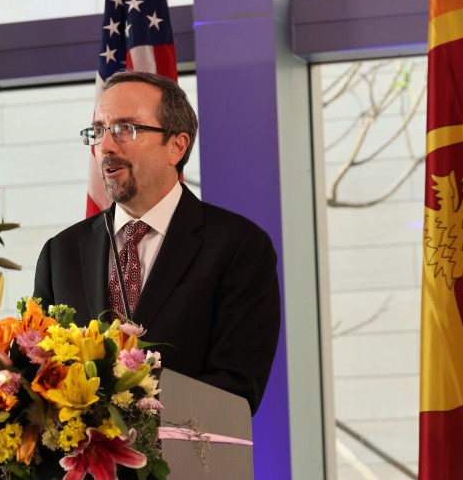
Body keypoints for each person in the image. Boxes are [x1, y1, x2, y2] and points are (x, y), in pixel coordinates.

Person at [33, 71, 280, 414]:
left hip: (186, 447)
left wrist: (129, 414)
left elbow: (236, 388)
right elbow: (38, 369)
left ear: (176, 146)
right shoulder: (61, 253)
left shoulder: (238, 246)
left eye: (125, 128)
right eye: (98, 130)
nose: (105, 146)